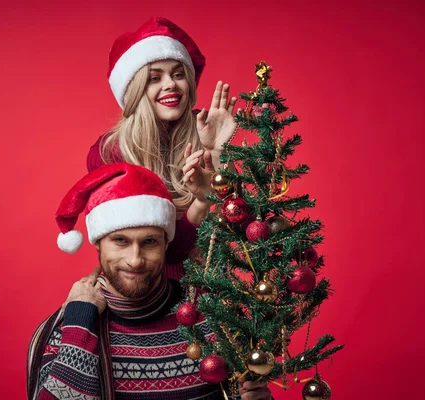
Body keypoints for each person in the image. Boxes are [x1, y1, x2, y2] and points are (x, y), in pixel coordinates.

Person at [27, 163, 271, 400]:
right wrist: (81, 320)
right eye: (120, 240)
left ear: (166, 243)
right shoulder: (66, 330)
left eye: (149, 242)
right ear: (98, 243)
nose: (135, 260)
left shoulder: (213, 319)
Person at [86, 17, 239, 280]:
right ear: (134, 90)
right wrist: (202, 202)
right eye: (154, 77)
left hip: (212, 290)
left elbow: (247, 228)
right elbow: (159, 253)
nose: (170, 84)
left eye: (178, 74)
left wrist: (219, 156)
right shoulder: (110, 153)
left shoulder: (206, 129)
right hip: (144, 291)